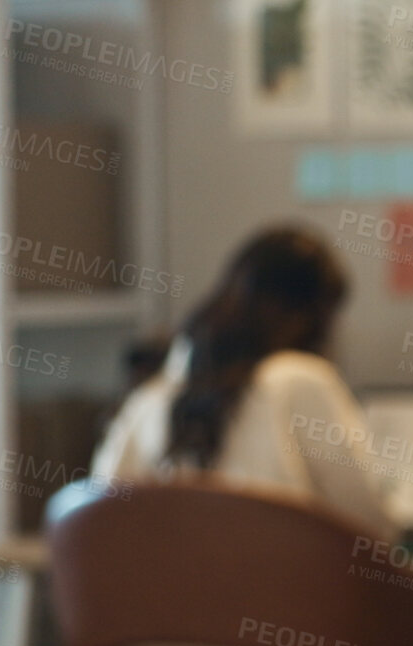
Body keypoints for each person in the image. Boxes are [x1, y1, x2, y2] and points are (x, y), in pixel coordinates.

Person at [90, 224, 396, 541]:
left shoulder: (149, 399)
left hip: (165, 590)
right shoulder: (301, 381)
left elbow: (97, 522)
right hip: (282, 589)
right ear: (313, 317)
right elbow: (368, 524)